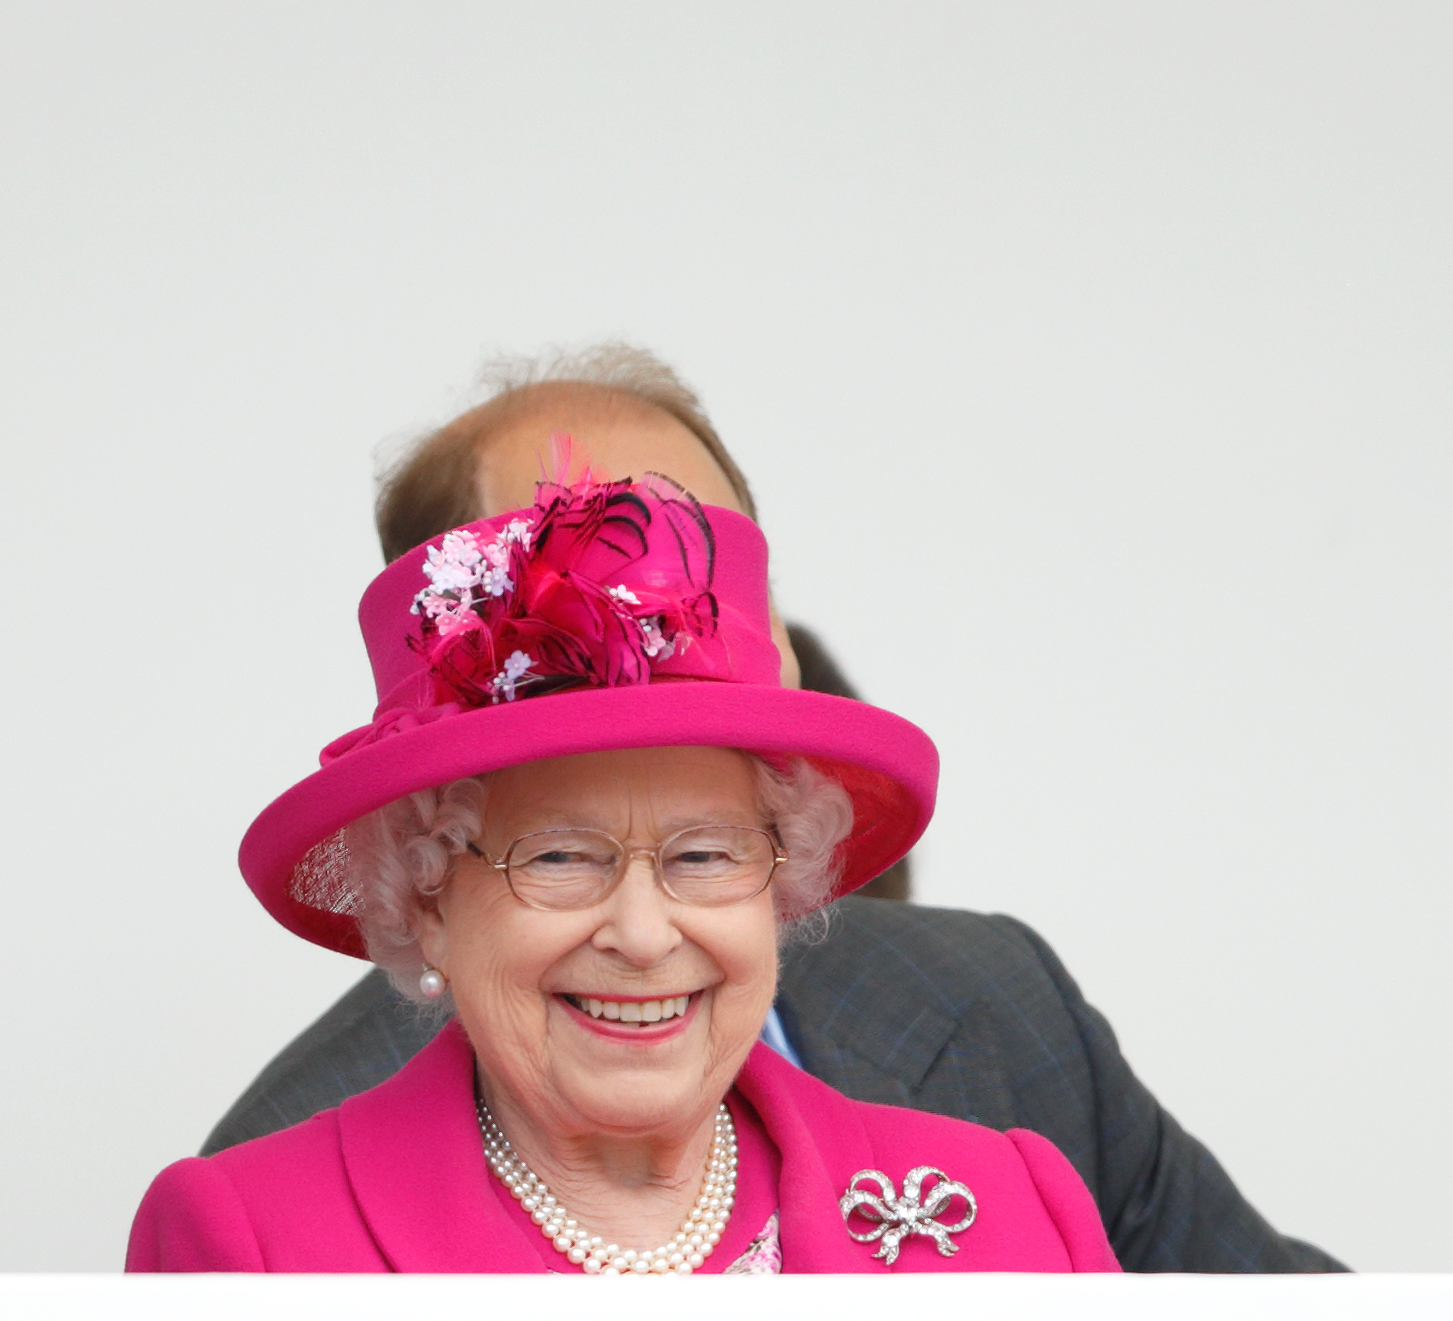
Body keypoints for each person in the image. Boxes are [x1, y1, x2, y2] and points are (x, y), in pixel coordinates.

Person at [209, 346, 1337, 1271]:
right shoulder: (268, 1212)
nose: (662, 620)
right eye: (558, 856)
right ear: (426, 874)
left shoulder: (1000, 1035)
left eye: (707, 568)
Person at [133, 470, 1119, 1274]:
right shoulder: (251, 1244)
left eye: (704, 855)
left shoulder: (1013, 1209)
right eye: (560, 857)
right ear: (427, 896)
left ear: (780, 882)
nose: (645, 935)